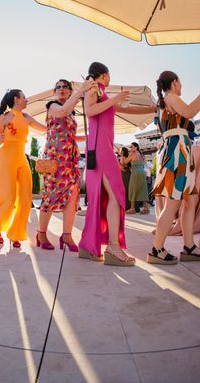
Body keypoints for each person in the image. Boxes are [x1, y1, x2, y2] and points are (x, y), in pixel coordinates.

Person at [79, 62, 155, 266]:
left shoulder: (101, 92)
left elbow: (125, 110)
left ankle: (92, 245)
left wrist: (155, 108)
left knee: (108, 195)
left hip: (102, 148)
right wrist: (115, 98)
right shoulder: (93, 87)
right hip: (101, 150)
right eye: (109, 75)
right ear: (104, 75)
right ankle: (112, 246)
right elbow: (89, 110)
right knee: (116, 194)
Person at [151, 70, 200, 264]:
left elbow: (189, 111)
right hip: (177, 153)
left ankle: (188, 246)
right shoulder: (171, 97)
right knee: (174, 203)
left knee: (190, 200)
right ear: (174, 82)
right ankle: (157, 249)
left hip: (179, 152)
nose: (181, 86)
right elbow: (189, 112)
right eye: (180, 82)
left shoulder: (165, 102)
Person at [37, 79, 94, 251]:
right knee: (50, 195)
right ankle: (41, 233)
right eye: (58, 87)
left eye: (65, 87)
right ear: (55, 92)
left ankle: (67, 236)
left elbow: (68, 134)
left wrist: (86, 138)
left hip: (69, 158)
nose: (62, 89)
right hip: (54, 157)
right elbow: (62, 112)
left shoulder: (72, 113)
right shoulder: (53, 106)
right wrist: (80, 92)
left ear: (69, 91)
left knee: (73, 194)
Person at [0, 89, 47, 245]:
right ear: (16, 99)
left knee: (26, 199)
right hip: (6, 157)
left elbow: (46, 129)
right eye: (24, 97)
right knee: (8, 198)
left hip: (22, 157)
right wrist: (0, 136)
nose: (26, 100)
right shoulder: (3, 117)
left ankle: (16, 233)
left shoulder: (27, 117)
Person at [121, 142, 150, 214]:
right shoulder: (140, 154)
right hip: (142, 172)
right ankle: (146, 207)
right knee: (142, 189)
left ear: (136, 147)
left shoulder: (133, 153)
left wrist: (122, 155)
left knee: (132, 189)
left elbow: (125, 162)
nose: (130, 148)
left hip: (135, 173)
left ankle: (132, 208)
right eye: (130, 147)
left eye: (132, 146)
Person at [119, 147, 132, 211]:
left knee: (126, 189)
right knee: (125, 189)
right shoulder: (122, 157)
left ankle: (127, 206)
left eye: (120, 150)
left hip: (125, 175)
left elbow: (125, 167)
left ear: (123, 151)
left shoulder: (124, 158)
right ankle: (126, 205)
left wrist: (120, 167)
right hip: (123, 174)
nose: (119, 151)